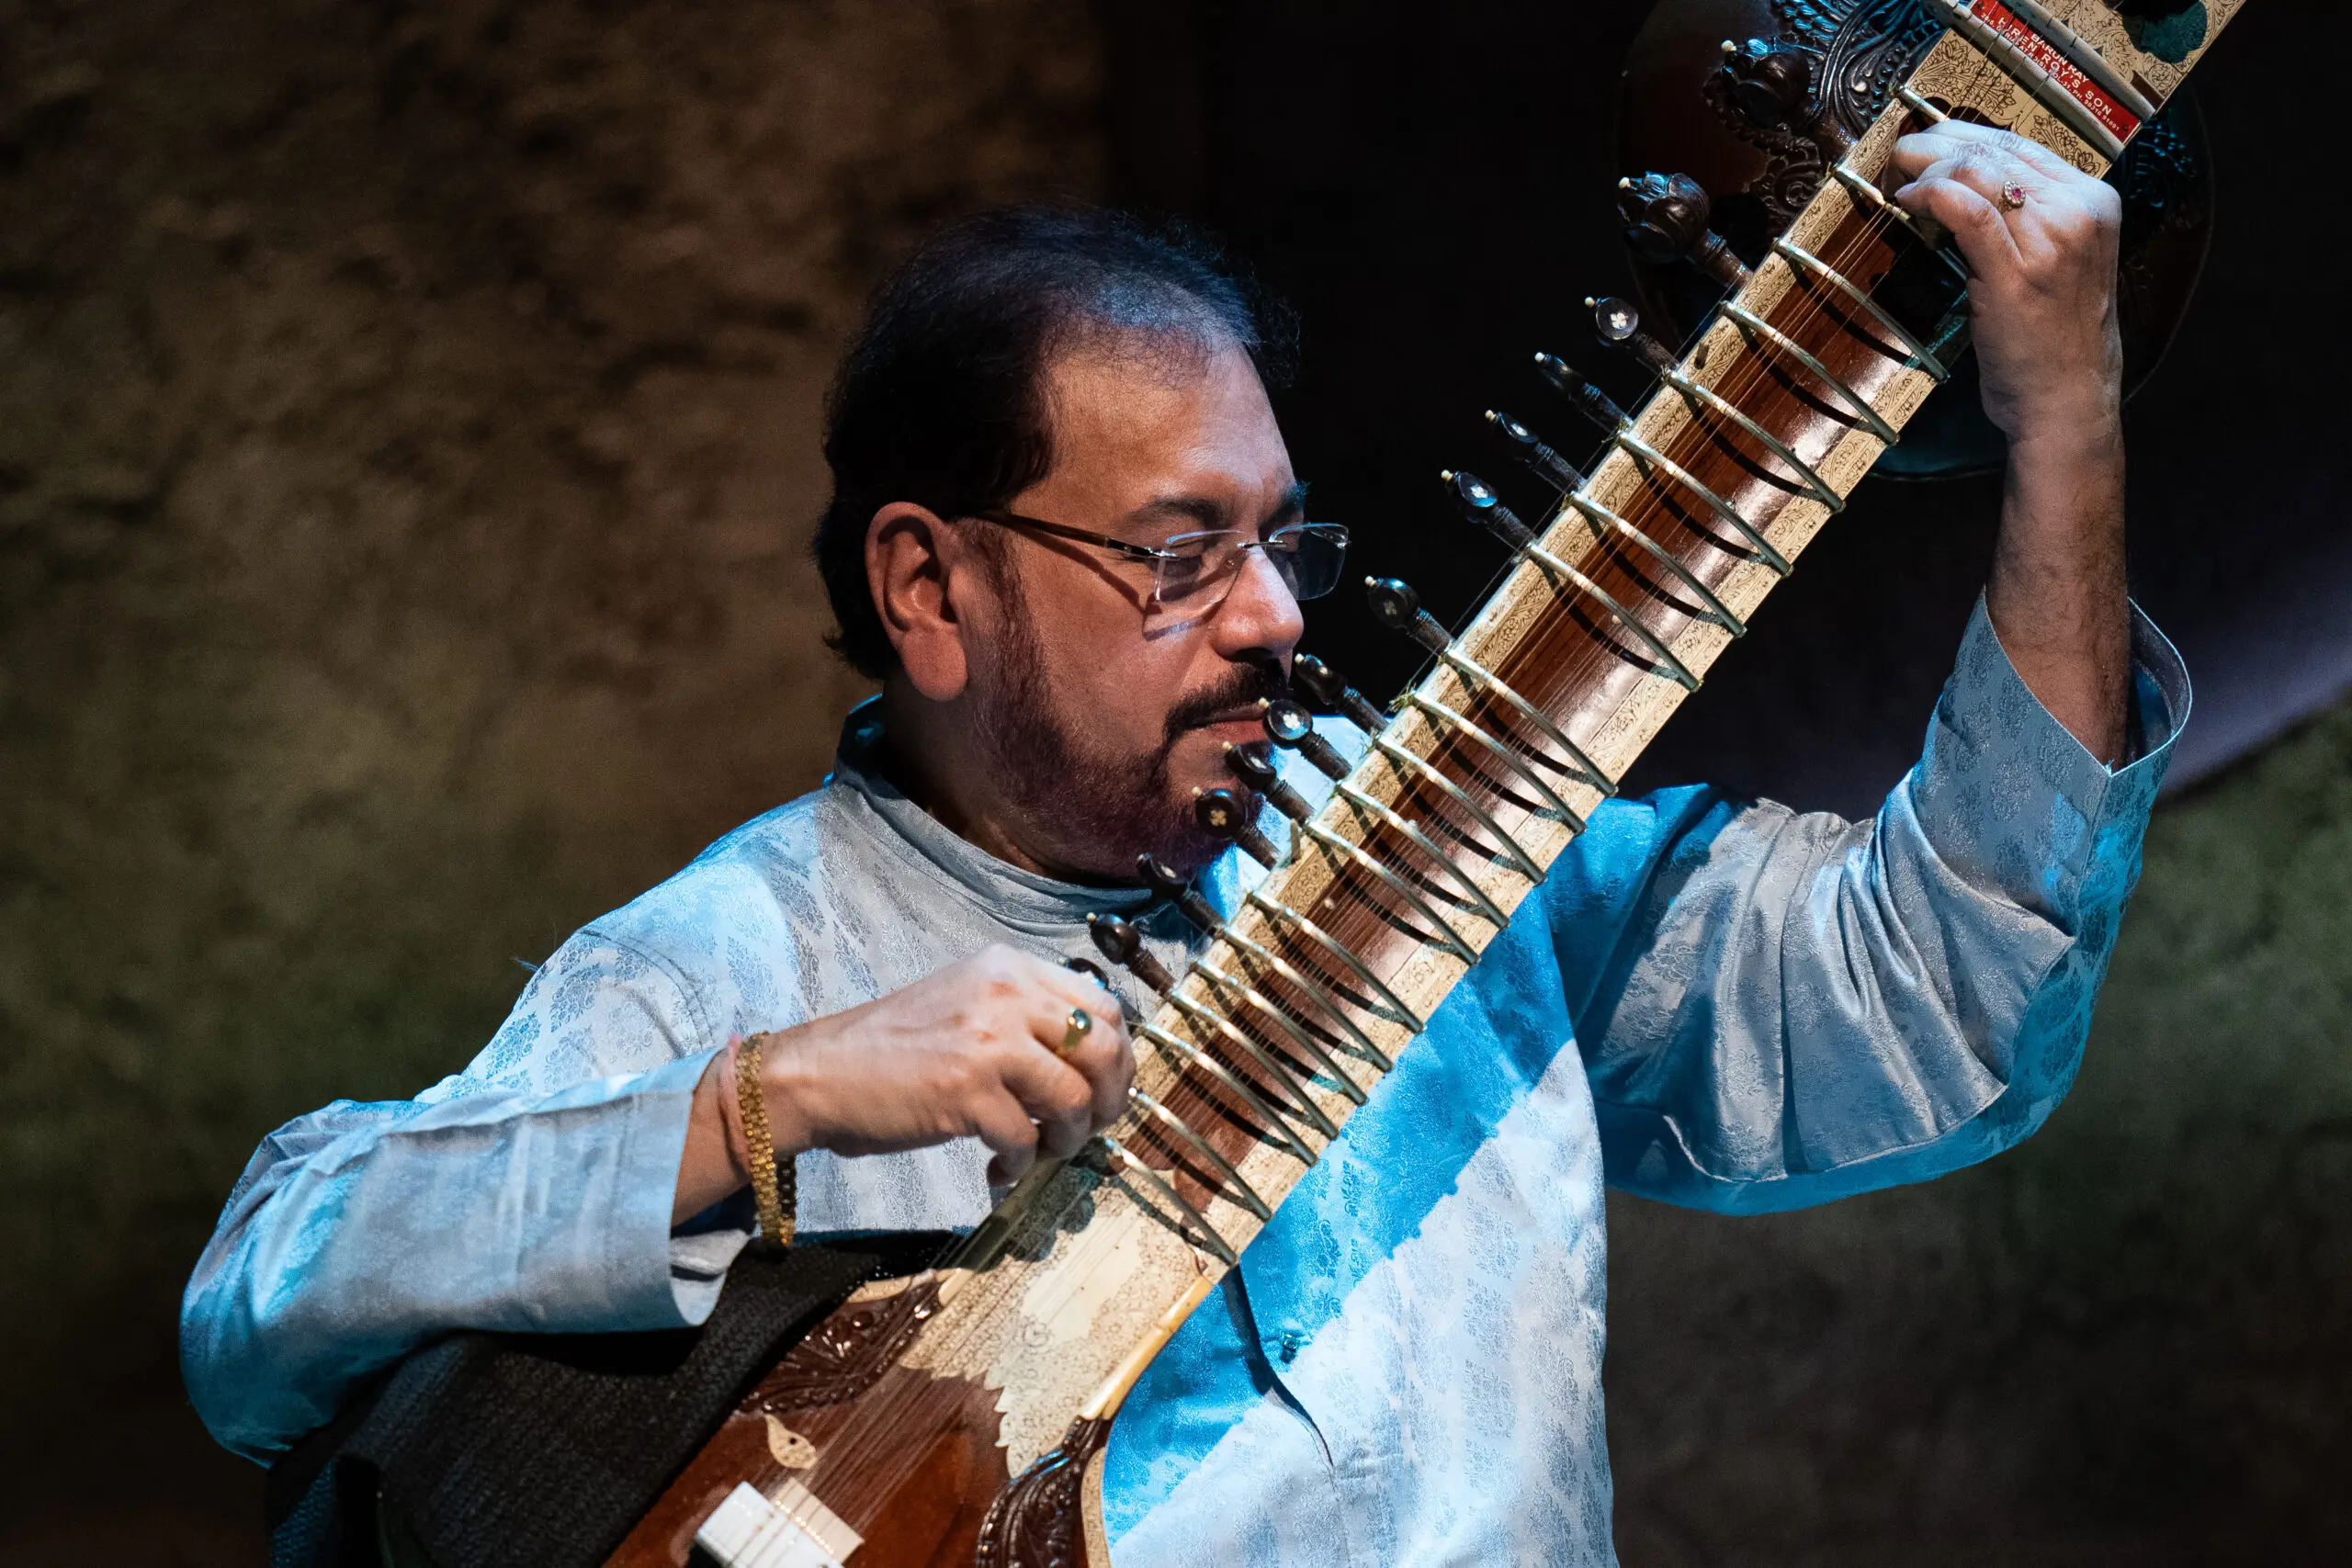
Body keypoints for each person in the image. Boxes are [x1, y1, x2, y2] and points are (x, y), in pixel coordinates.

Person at [184, 121, 2188, 1563]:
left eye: (1277, 539)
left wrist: (2066, 435)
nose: (1277, 617)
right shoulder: (728, 962)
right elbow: (258, 1304)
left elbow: (1948, 1003)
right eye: (1177, 554)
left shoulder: (1445, 852)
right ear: (929, 589)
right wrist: (761, 1103)